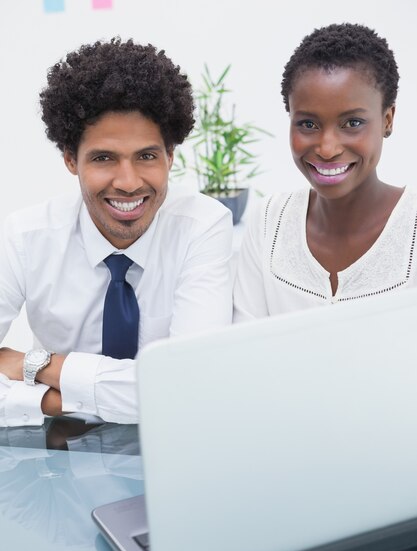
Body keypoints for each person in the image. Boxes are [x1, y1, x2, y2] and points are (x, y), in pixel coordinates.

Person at [0, 38, 233, 426]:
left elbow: (192, 388)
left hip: (180, 449)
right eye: (104, 158)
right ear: (71, 159)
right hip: (60, 460)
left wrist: (35, 367)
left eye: (146, 156)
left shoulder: (203, 228)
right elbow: (173, 392)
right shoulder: (25, 237)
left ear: (170, 156)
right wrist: (58, 404)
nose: (128, 183)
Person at [233, 23, 416, 320]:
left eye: (352, 123)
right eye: (308, 124)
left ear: (387, 119)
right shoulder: (268, 223)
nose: (327, 148)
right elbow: (240, 351)